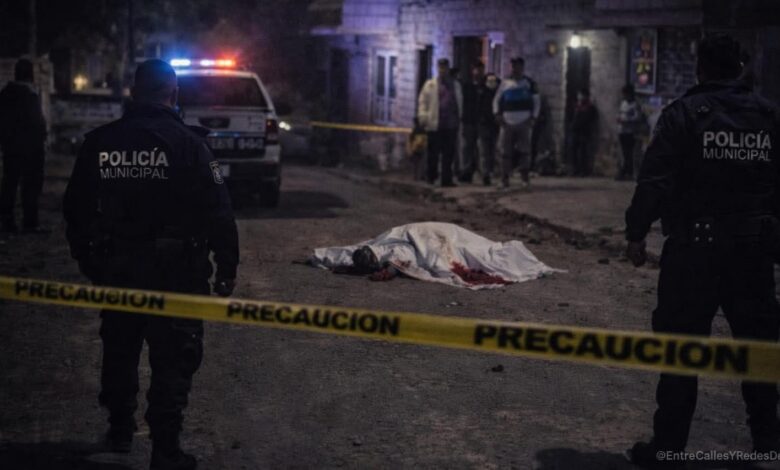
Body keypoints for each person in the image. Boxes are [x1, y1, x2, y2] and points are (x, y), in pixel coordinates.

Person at [63, 59, 239, 470]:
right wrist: (226, 267)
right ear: (173, 94)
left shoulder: (101, 143)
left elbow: (75, 208)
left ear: (133, 92)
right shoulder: (191, 145)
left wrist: (88, 259)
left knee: (120, 348)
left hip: (119, 268)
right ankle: (165, 449)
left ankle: (120, 430)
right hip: (178, 273)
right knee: (174, 357)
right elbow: (219, 212)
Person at [624, 34, 780, 467]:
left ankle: (669, 449)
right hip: (752, 254)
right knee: (757, 352)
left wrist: (636, 233)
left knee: (681, 351)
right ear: (741, 67)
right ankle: (768, 445)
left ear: (701, 68)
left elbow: (655, 180)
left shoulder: (684, 115)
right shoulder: (769, 116)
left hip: (695, 254)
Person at [0, 58, 48, 234]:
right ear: (31, 75)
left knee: (9, 183)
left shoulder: (4, 94)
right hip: (31, 148)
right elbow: (37, 123)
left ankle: (7, 220)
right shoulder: (30, 96)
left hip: (11, 147)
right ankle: (30, 222)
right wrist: (42, 140)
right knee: (31, 186)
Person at [493, 57, 540, 189]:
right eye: (513, 66)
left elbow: (536, 101)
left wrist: (534, 117)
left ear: (522, 67)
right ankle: (504, 179)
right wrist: (497, 114)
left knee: (524, 151)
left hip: (524, 121)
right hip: (507, 122)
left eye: (518, 66)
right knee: (505, 152)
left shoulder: (529, 83)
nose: (515, 69)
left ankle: (524, 178)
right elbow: (496, 99)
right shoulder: (505, 83)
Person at [417, 58, 462, 187]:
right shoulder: (430, 85)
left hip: (450, 124)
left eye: (445, 67)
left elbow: (459, 102)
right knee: (433, 153)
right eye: (441, 67)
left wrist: (458, 118)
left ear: (448, 69)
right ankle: (431, 176)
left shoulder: (455, 85)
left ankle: (446, 179)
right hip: (435, 124)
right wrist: (423, 117)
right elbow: (423, 102)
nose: (443, 70)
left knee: (448, 154)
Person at [459, 62, 500, 186]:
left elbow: (495, 92)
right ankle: (467, 172)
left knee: (483, 149)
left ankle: (485, 174)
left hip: (483, 122)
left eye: (480, 70)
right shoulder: (467, 86)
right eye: (476, 70)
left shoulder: (487, 85)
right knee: (467, 148)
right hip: (469, 121)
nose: (478, 72)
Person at [616, 84, 644, 180]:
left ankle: (628, 172)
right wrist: (619, 119)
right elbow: (620, 113)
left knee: (629, 153)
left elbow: (638, 117)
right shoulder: (623, 103)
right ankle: (625, 171)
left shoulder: (635, 105)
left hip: (630, 132)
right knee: (624, 153)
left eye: (625, 94)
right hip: (622, 131)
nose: (624, 96)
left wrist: (626, 120)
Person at [570, 88, 598, 176]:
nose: (580, 97)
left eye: (581, 95)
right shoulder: (577, 106)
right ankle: (575, 169)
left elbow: (591, 119)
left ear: (586, 96)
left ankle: (583, 170)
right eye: (579, 95)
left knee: (583, 152)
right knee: (573, 150)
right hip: (576, 131)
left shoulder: (590, 107)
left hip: (584, 132)